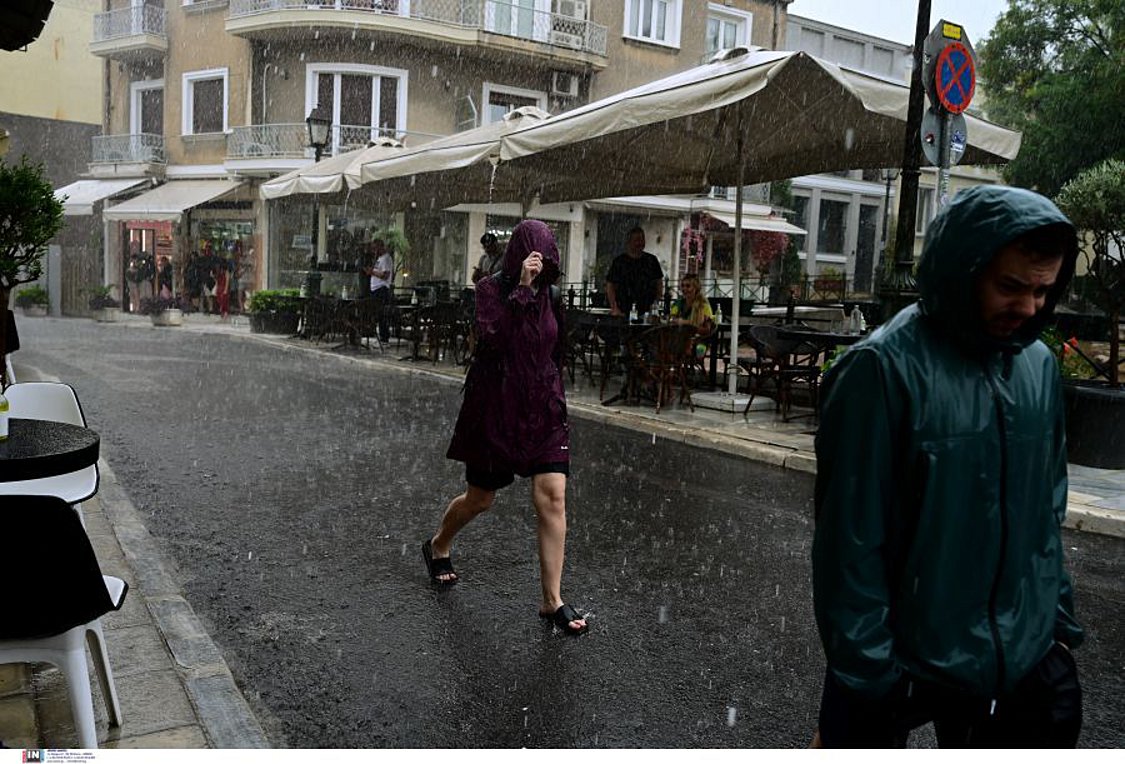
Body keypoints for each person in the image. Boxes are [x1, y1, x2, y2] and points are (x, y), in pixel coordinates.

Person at [811, 185, 1084, 748]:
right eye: (1011, 286)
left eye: (1043, 290)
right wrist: (872, 673)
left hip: (1021, 652)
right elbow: (850, 542)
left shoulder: (1038, 367)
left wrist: (1053, 626)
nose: (1030, 308)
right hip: (902, 658)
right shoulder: (880, 370)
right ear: (964, 269)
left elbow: (1045, 510)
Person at [423, 219, 587, 636]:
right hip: (496, 408)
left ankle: (553, 601)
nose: (542, 264)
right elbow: (495, 340)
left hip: (543, 407)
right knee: (480, 499)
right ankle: (439, 544)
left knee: (552, 496)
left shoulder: (552, 295)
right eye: (535, 255)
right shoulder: (490, 290)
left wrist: (553, 397)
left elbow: (555, 349)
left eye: (548, 258)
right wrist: (522, 290)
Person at [605, 226, 664, 318]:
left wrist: (655, 305)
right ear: (629, 242)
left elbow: (659, 283)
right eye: (637, 240)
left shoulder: (651, 260)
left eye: (642, 239)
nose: (640, 243)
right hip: (623, 311)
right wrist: (614, 307)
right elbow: (610, 285)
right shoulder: (619, 262)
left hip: (646, 312)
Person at [669, 272, 714, 358]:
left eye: (688, 286)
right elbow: (671, 319)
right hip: (679, 338)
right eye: (682, 286)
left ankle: (674, 366)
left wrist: (687, 323)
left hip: (699, 343)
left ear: (696, 288)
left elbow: (707, 330)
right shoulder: (678, 303)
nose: (684, 289)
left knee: (672, 346)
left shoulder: (703, 304)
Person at [364, 239, 394, 344]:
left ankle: (384, 337)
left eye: (375, 248)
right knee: (377, 313)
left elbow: (385, 275)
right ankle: (380, 335)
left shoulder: (386, 258)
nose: (374, 251)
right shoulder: (379, 259)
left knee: (382, 314)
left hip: (381, 289)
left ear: (380, 247)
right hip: (375, 289)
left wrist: (372, 272)